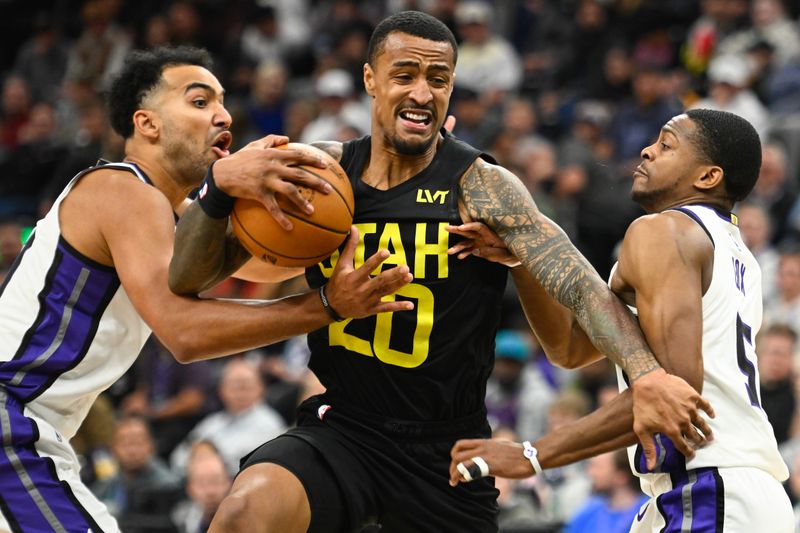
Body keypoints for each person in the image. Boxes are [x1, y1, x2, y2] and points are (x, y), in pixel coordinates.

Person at [169, 12, 711, 533]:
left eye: (439, 79)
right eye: (404, 75)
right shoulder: (321, 175)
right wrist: (218, 190)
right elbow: (188, 279)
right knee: (244, 512)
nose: (422, 93)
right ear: (370, 81)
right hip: (346, 430)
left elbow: (579, 284)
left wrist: (646, 373)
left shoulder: (482, 185)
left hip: (447, 449)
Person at [0, 45, 414, 532]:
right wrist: (326, 306)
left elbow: (268, 264)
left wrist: (368, 183)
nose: (222, 114)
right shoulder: (121, 190)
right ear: (147, 124)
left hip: (34, 427)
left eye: (222, 102)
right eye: (199, 102)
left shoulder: (173, 226)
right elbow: (184, 333)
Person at [449, 109, 793, 531]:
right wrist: (523, 258)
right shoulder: (735, 253)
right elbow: (571, 348)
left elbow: (671, 395)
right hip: (725, 492)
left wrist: (531, 454)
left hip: (710, 488)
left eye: (667, 145)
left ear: (707, 177)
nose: (647, 151)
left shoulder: (663, 232)